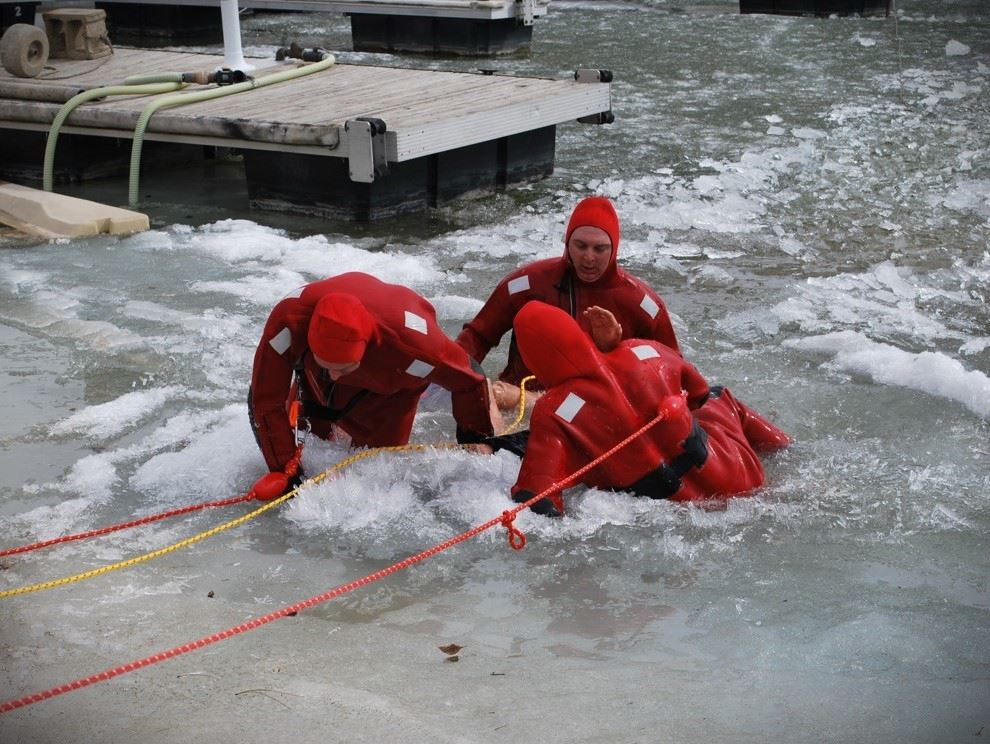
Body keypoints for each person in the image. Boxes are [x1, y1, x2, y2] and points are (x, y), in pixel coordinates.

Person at [501, 302, 789, 517]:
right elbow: (700, 393)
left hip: (675, 508)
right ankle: (787, 451)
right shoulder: (645, 351)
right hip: (735, 474)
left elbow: (539, 497)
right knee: (719, 396)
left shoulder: (552, 411)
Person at [248, 272, 497, 479]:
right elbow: (265, 401)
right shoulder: (289, 322)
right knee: (310, 450)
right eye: (328, 365)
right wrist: (286, 474)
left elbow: (470, 378)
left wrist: (474, 439)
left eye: (344, 368)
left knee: (373, 472)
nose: (335, 375)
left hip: (390, 393)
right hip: (313, 382)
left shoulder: (414, 345)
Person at [457, 196, 680, 405]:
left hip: (595, 409)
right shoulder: (526, 284)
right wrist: (451, 378)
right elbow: (478, 336)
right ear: (567, 243)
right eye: (581, 246)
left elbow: (673, 370)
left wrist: (615, 348)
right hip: (516, 401)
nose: (589, 257)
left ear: (614, 250)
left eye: (600, 249)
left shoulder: (642, 304)